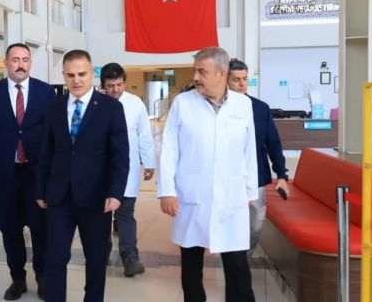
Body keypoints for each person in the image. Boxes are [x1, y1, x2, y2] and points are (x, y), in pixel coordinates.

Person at [157, 47, 258, 302]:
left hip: (231, 197)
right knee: (191, 266)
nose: (196, 77)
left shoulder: (243, 104)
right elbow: (169, 150)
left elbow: (249, 151)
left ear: (221, 74)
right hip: (192, 195)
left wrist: (250, 192)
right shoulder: (183, 103)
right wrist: (167, 191)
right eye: (196, 71)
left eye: (202, 72)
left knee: (237, 266)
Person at [36, 49, 129, 302]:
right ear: (64, 76)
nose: (76, 80)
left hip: (96, 197)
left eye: (82, 74)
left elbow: (120, 155)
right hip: (59, 196)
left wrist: (116, 192)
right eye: (71, 75)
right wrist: (41, 190)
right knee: (54, 257)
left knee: (96, 259)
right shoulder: (54, 107)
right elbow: (46, 151)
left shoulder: (111, 108)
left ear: (92, 74)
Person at [0, 43, 56, 301]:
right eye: (15, 59)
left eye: (25, 59)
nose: (21, 64)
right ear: (6, 63)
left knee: (40, 229)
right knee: (10, 229)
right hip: (5, 174)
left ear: (30, 62)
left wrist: (54, 171)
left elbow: (55, 133)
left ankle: (43, 278)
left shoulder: (46, 91)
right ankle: (18, 279)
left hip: (37, 174)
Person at [227, 59, 290, 256]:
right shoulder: (220, 108)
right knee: (229, 221)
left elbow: (273, 142)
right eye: (236, 79)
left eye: (245, 79)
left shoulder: (260, 108)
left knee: (255, 223)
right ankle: (233, 259)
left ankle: (244, 257)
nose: (242, 84)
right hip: (227, 175)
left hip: (256, 176)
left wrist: (281, 175)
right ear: (226, 80)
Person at [100, 62, 155, 277]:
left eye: (119, 85)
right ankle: (100, 254)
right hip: (99, 171)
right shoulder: (94, 103)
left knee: (125, 214)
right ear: (103, 85)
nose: (115, 90)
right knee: (100, 216)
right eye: (110, 86)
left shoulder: (135, 104)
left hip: (127, 169)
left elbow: (144, 134)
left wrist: (149, 162)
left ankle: (130, 259)